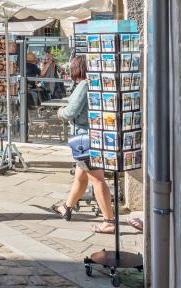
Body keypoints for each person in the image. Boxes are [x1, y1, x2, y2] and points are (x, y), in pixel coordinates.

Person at [51, 56, 115, 234]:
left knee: (97, 179)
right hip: (95, 135)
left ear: (77, 68)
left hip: (84, 139)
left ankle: (108, 221)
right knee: (81, 176)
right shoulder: (98, 83)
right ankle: (67, 207)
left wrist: (60, 112)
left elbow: (71, 112)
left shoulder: (84, 84)